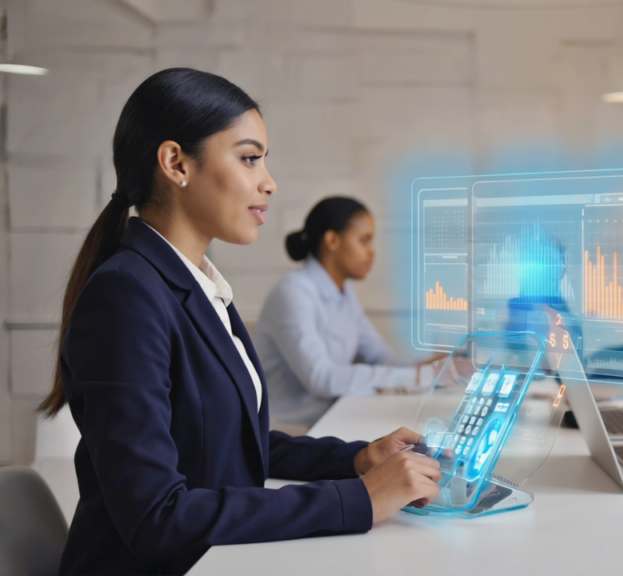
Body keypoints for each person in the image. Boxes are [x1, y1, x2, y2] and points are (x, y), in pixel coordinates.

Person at [39, 68, 441, 576]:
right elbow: (155, 517)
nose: (268, 182)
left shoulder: (198, 285)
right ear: (175, 164)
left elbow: (229, 443)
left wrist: (356, 460)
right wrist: (356, 500)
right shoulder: (125, 295)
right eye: (250, 158)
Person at [256, 197, 441, 429]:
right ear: (332, 240)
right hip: (288, 433)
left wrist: (430, 366)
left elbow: (380, 357)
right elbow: (321, 379)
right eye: (364, 240)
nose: (372, 251)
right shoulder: (293, 292)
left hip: (332, 419)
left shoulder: (345, 294)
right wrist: (415, 377)